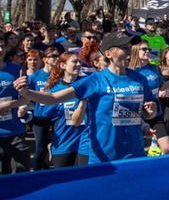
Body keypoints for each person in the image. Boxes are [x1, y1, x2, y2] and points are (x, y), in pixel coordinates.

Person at [13, 31, 157, 164]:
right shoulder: (96, 79)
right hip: (104, 156)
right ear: (108, 54)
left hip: (135, 153)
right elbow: (53, 98)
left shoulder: (139, 79)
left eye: (130, 47)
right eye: (124, 48)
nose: (129, 51)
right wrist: (26, 92)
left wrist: (150, 112)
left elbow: (146, 113)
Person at [43, 52, 88, 167]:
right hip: (64, 142)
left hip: (85, 143)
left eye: (80, 62)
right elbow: (46, 119)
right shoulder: (55, 89)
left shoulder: (87, 83)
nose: (79, 64)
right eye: (74, 62)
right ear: (63, 65)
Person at [130, 42, 169, 156]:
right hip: (136, 114)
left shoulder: (153, 68)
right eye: (144, 49)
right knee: (136, 152)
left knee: (167, 148)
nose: (148, 51)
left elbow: (162, 85)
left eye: (149, 49)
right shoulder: (129, 70)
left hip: (155, 112)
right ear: (135, 50)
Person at [0, 39, 31, 174]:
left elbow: (26, 96)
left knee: (21, 173)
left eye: (2, 46)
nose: (0, 50)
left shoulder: (15, 70)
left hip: (15, 131)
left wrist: (19, 105)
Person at [28, 47, 60, 170]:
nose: (57, 58)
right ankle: (36, 172)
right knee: (40, 148)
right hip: (40, 116)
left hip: (57, 116)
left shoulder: (60, 75)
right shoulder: (35, 76)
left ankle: (56, 170)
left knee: (59, 145)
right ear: (45, 59)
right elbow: (27, 96)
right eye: (53, 56)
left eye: (58, 56)